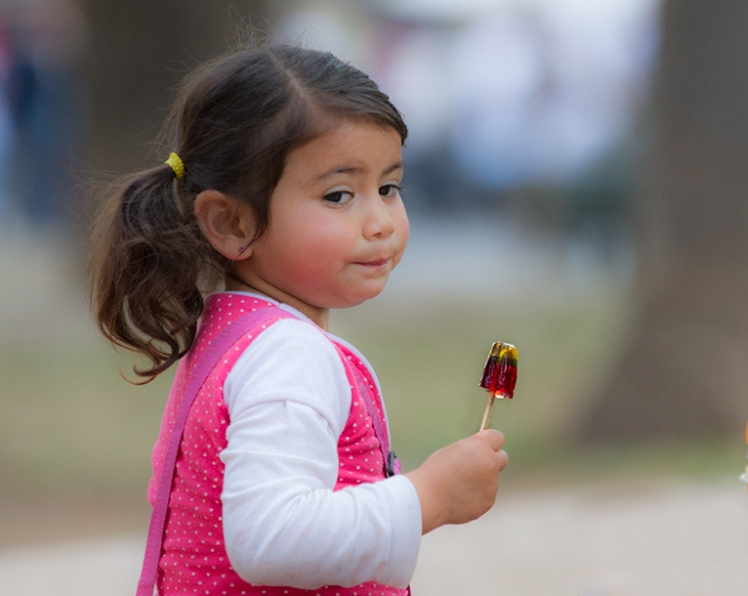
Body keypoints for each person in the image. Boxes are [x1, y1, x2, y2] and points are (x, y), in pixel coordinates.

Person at [88, 44, 508, 595]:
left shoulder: (229, 332)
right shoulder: (287, 355)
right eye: (339, 195)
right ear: (231, 223)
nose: (381, 221)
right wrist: (426, 496)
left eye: (388, 187)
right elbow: (271, 540)